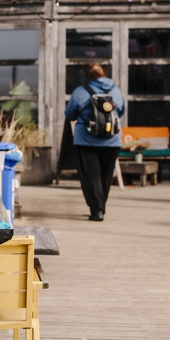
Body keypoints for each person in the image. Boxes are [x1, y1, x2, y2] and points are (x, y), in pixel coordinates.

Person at [64, 62, 125, 221]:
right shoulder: (116, 91)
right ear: (104, 74)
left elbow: (70, 114)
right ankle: (101, 206)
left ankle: (96, 209)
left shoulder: (80, 91)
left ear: (88, 76)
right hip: (112, 141)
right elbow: (122, 111)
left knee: (90, 176)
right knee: (106, 176)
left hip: (86, 140)